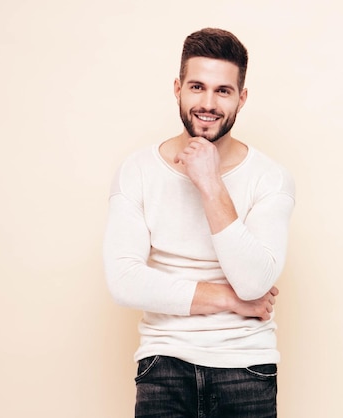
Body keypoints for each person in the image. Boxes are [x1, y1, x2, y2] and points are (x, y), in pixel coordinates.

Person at [103, 28, 295, 418]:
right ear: (177, 88)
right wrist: (228, 299)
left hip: (246, 366)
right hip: (164, 363)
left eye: (223, 91)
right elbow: (124, 280)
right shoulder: (137, 171)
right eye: (197, 87)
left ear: (241, 98)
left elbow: (255, 283)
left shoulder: (270, 178)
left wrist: (210, 183)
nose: (208, 103)